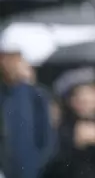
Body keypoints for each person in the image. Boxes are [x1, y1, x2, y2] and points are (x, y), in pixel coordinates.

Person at [0, 47, 54, 178]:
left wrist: (36, 164)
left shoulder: (35, 95)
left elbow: (46, 137)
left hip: (28, 169)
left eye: (15, 61)